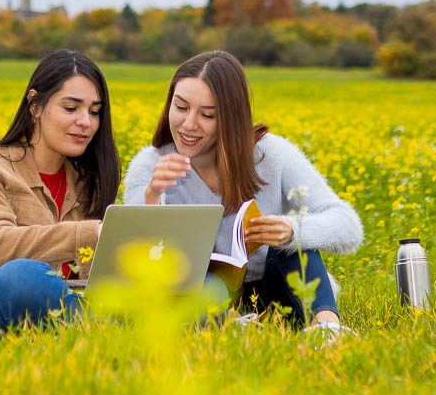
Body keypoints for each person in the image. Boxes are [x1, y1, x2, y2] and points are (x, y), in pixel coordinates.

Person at [124, 50, 362, 333]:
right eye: (181, 107)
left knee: (295, 249)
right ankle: (233, 328)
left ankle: (327, 331)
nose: (189, 124)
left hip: (277, 288)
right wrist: (152, 196)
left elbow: (349, 228)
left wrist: (291, 230)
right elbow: (138, 256)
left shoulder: (271, 154)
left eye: (208, 115)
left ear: (231, 118)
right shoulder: (151, 165)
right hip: (205, 293)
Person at [0, 50, 118, 334]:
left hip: (61, 327)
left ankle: (108, 341)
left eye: (95, 112)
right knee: (21, 276)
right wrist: (92, 233)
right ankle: (109, 342)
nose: (86, 122)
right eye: (71, 108)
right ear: (35, 106)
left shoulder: (88, 183)